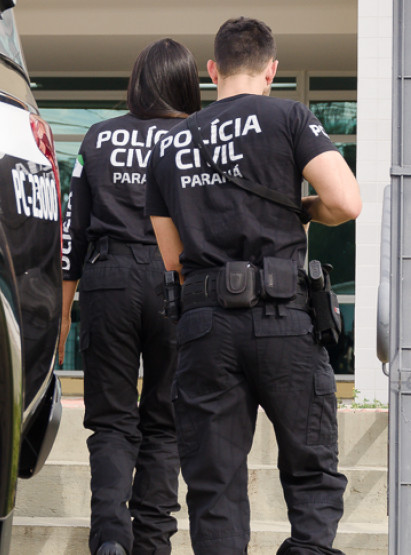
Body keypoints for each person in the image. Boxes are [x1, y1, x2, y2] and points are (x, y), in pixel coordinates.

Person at [145, 17, 361, 555]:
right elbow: (345, 201)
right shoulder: (289, 116)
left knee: (214, 485)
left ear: (212, 70)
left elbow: (174, 258)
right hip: (283, 316)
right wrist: (302, 209)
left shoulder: (167, 147)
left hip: (203, 326)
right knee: (311, 472)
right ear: (272, 70)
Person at [59, 38, 201, 555]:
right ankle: (153, 543)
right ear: (187, 82)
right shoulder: (194, 136)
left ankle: (111, 539)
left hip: (109, 279)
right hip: (176, 281)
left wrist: (62, 314)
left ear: (138, 81)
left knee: (112, 421)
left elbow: (72, 229)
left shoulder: (97, 137)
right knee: (165, 421)